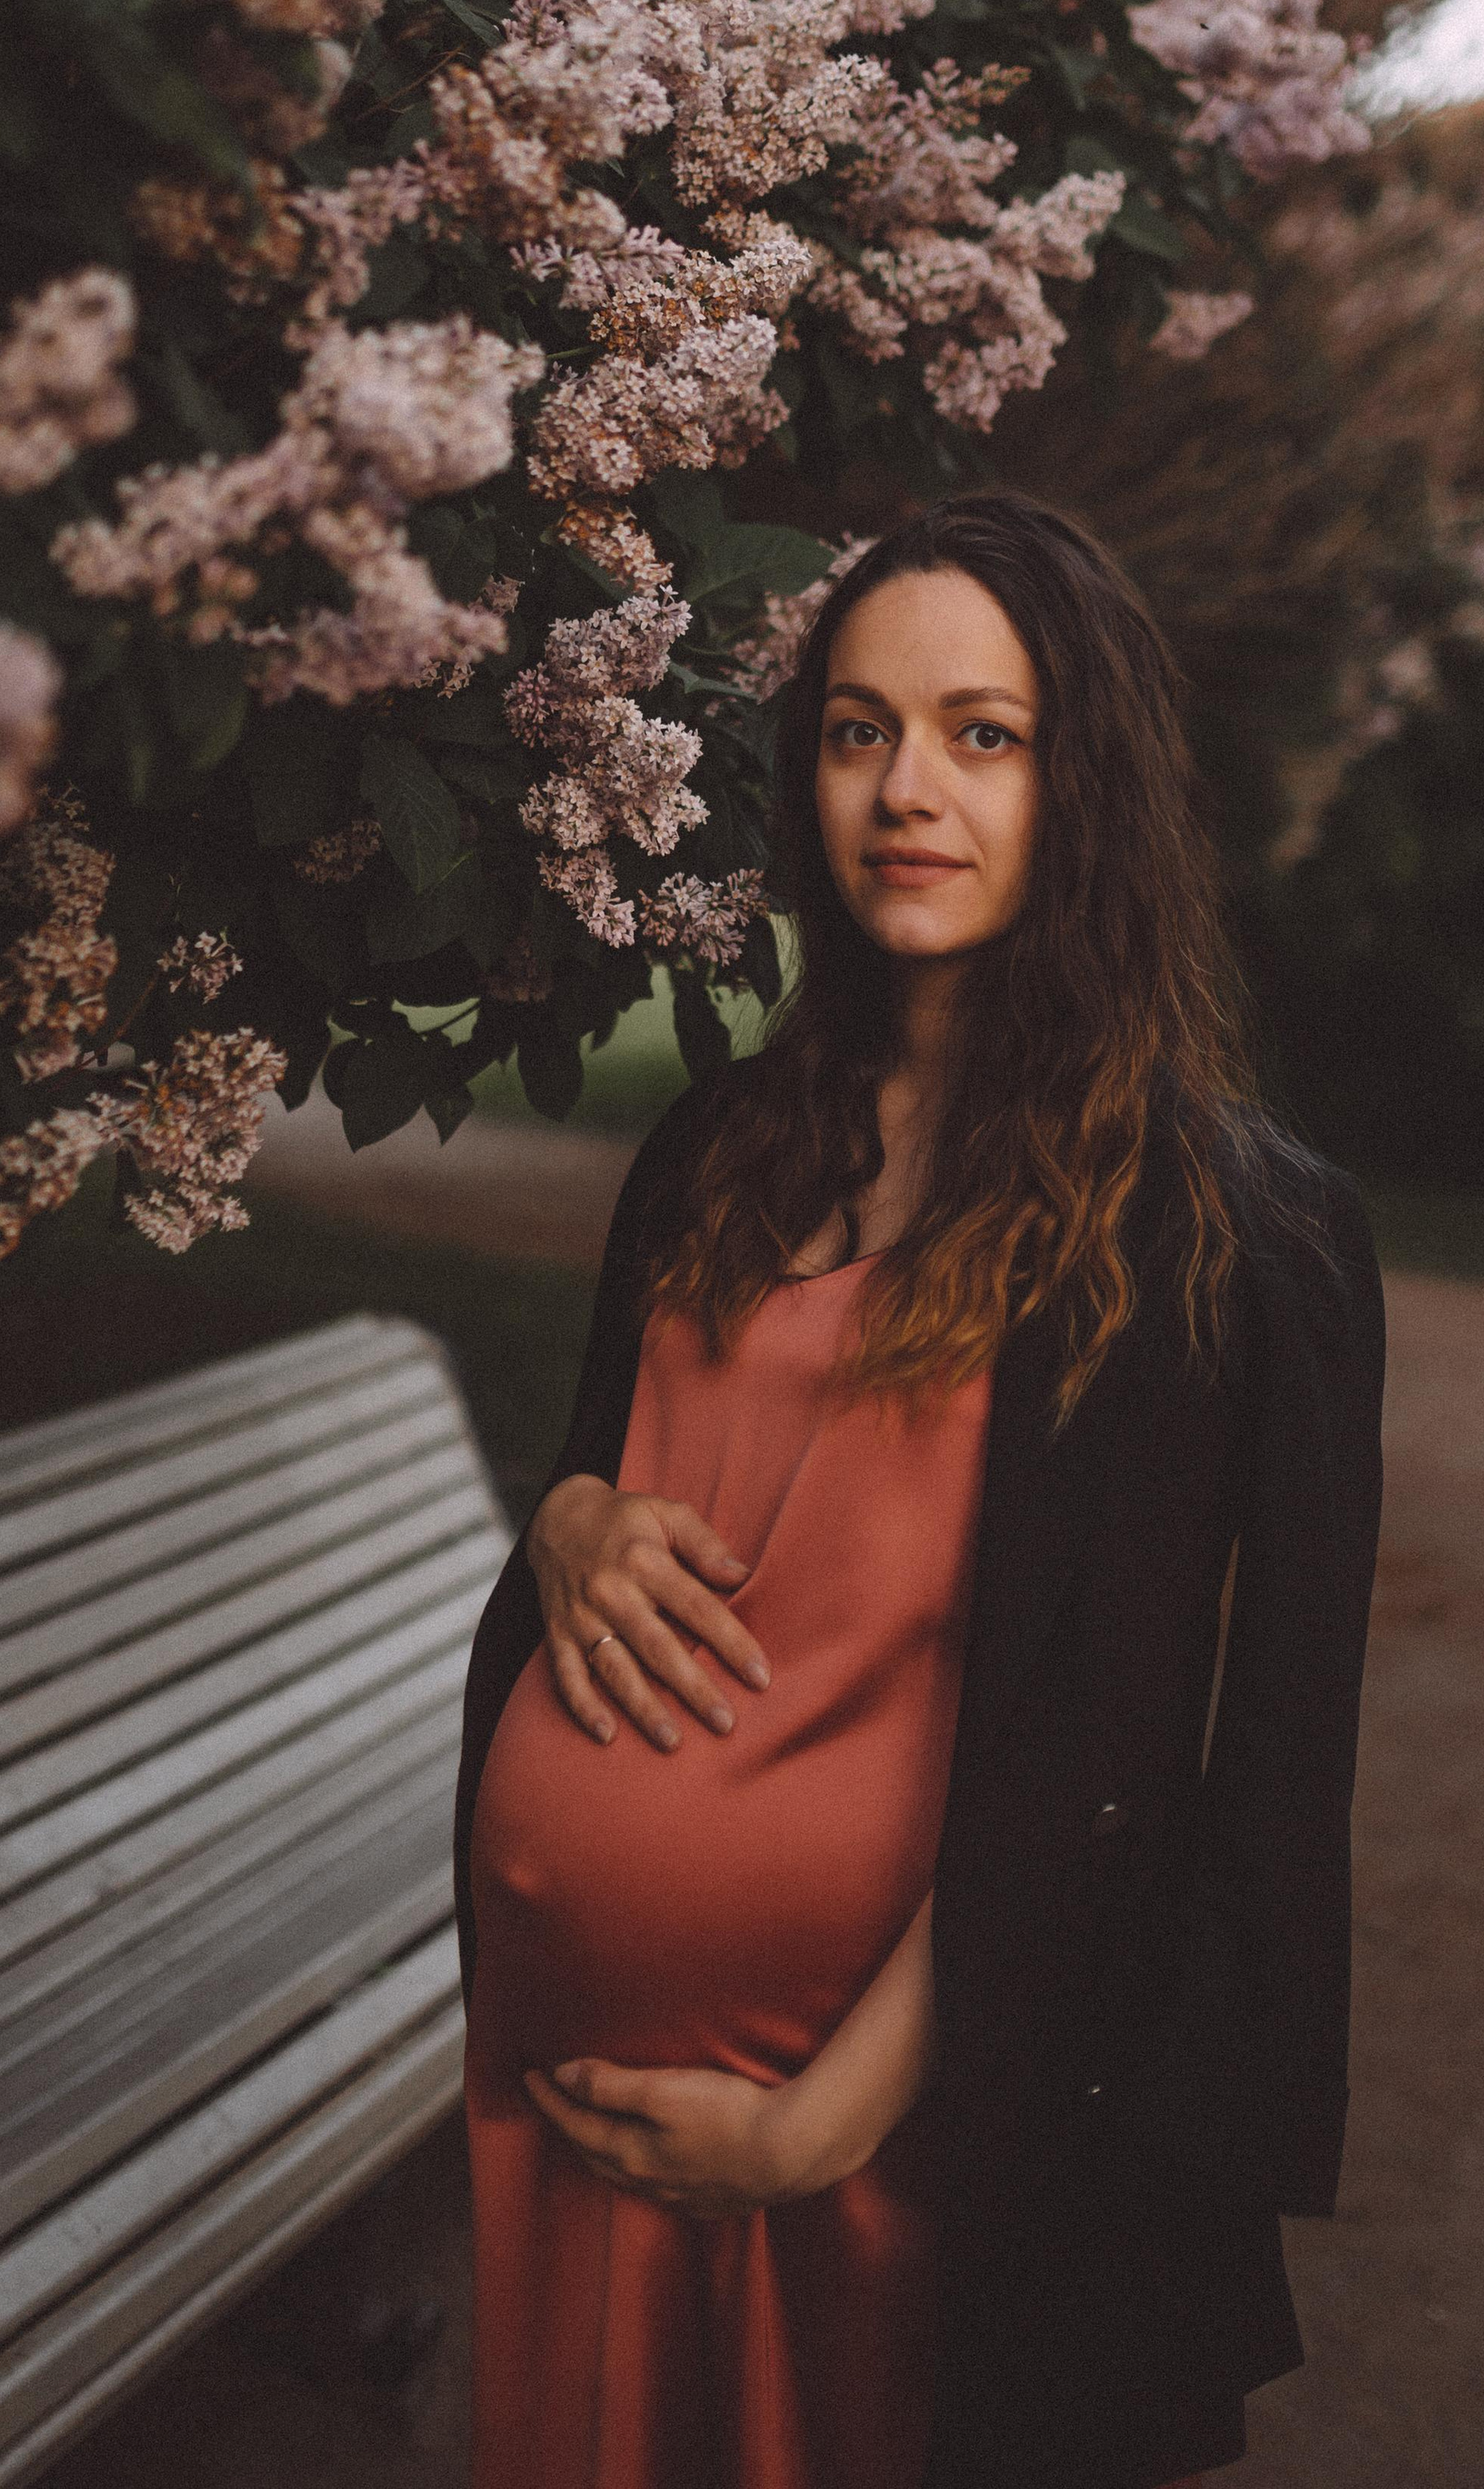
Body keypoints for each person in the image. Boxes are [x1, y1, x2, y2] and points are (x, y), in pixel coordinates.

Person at [453, 491, 1385, 2489]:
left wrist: (811, 2129)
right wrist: (567, 1525)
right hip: (585, 2102)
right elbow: (602, 1474)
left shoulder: (1219, 1235)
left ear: (1090, 780)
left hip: (917, 2152)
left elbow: (1150, 1767)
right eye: (859, 728)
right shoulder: (718, 1147)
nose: (907, 787)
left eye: (984, 732)